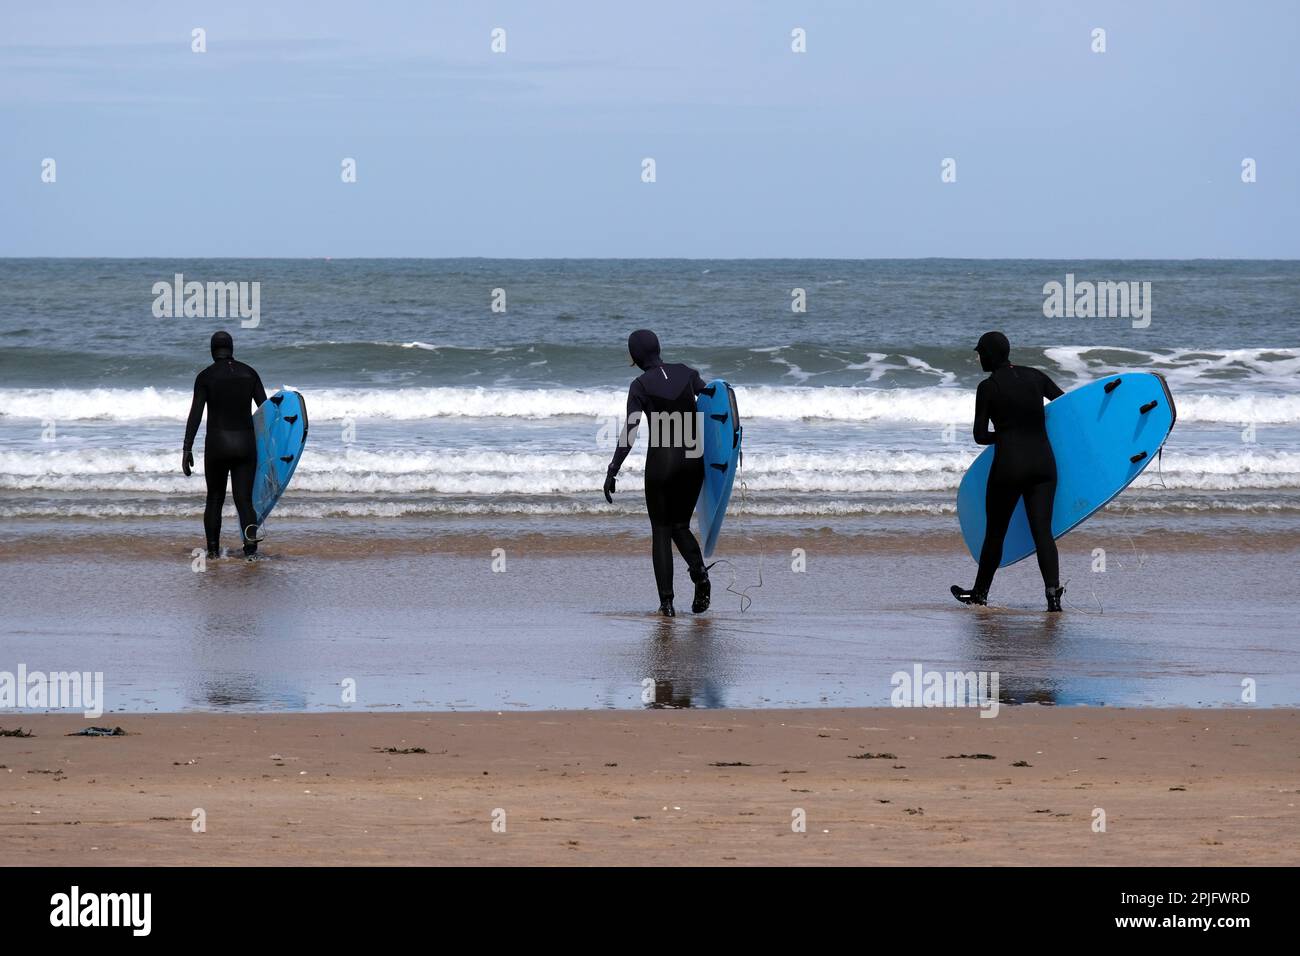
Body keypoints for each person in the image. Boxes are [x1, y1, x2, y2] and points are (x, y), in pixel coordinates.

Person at [951, 331, 1067, 612]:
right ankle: (1053, 597)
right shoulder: (1036, 376)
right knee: (1042, 532)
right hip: (1043, 463)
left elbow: (980, 435)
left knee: (995, 533)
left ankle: (979, 593)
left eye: (980, 353)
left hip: (1009, 466)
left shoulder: (988, 387)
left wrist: (1004, 434)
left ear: (990, 355)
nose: (978, 358)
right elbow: (1067, 407)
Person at [604, 330, 711, 617]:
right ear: (659, 348)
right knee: (681, 526)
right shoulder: (688, 373)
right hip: (693, 460)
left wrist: (613, 469)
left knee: (661, 531)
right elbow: (715, 401)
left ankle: (667, 604)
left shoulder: (639, 385)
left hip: (661, 465)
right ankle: (700, 576)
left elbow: (630, 431)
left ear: (636, 357)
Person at [183, 330, 267, 559]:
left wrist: (187, 448)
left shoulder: (205, 376)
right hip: (245, 445)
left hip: (217, 445)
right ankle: (250, 551)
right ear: (232, 349)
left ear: (212, 351)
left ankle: (212, 552)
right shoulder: (249, 373)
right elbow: (266, 411)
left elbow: (196, 415)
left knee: (214, 498)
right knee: (244, 500)